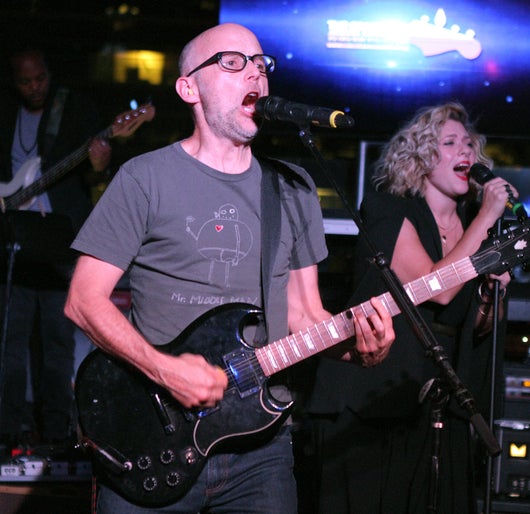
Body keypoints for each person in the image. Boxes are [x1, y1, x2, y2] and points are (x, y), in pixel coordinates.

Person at [63, 22, 394, 513]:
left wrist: (359, 347)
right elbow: (82, 301)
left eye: (261, 64)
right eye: (233, 62)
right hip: (154, 434)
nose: (255, 74)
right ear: (188, 88)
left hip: (260, 449)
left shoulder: (293, 187)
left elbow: (304, 316)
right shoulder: (145, 177)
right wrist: (166, 370)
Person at [304, 102, 516, 513]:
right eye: (450, 143)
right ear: (420, 158)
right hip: (375, 398)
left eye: (469, 144)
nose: (465, 152)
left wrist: (492, 294)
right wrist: (488, 215)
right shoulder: (388, 209)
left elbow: (477, 325)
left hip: (441, 398)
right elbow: (435, 289)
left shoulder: (475, 227)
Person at [0, 47, 112, 451]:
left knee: (57, 339)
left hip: (59, 238)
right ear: (14, 81)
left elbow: (101, 167)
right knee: (11, 341)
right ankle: (9, 427)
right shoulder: (6, 111)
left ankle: (56, 432)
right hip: (13, 235)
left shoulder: (73, 107)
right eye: (25, 81)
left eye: (40, 79)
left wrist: (100, 160)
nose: (34, 87)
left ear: (50, 72)